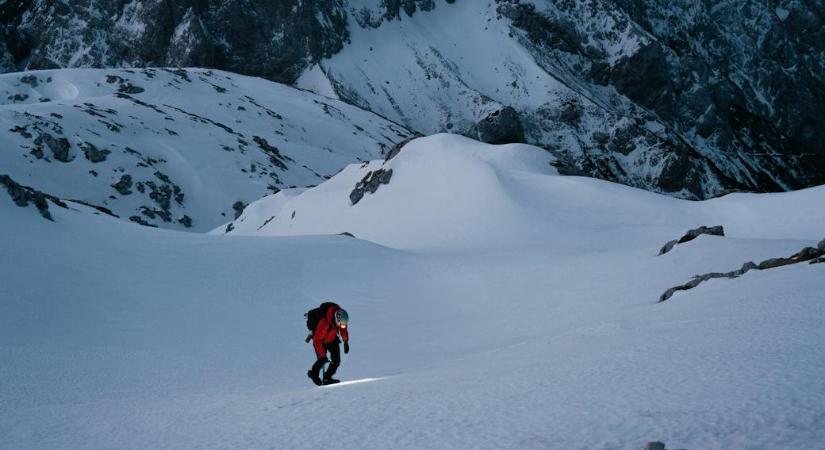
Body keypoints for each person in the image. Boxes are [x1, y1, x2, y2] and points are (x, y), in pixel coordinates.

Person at [307, 304, 349, 385]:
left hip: (332, 339)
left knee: (336, 360)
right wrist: (322, 355)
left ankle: (327, 378)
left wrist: (346, 341)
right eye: (340, 324)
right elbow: (317, 340)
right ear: (336, 320)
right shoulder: (324, 323)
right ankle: (313, 374)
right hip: (320, 341)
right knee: (322, 360)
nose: (342, 326)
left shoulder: (341, 320)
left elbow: (343, 330)